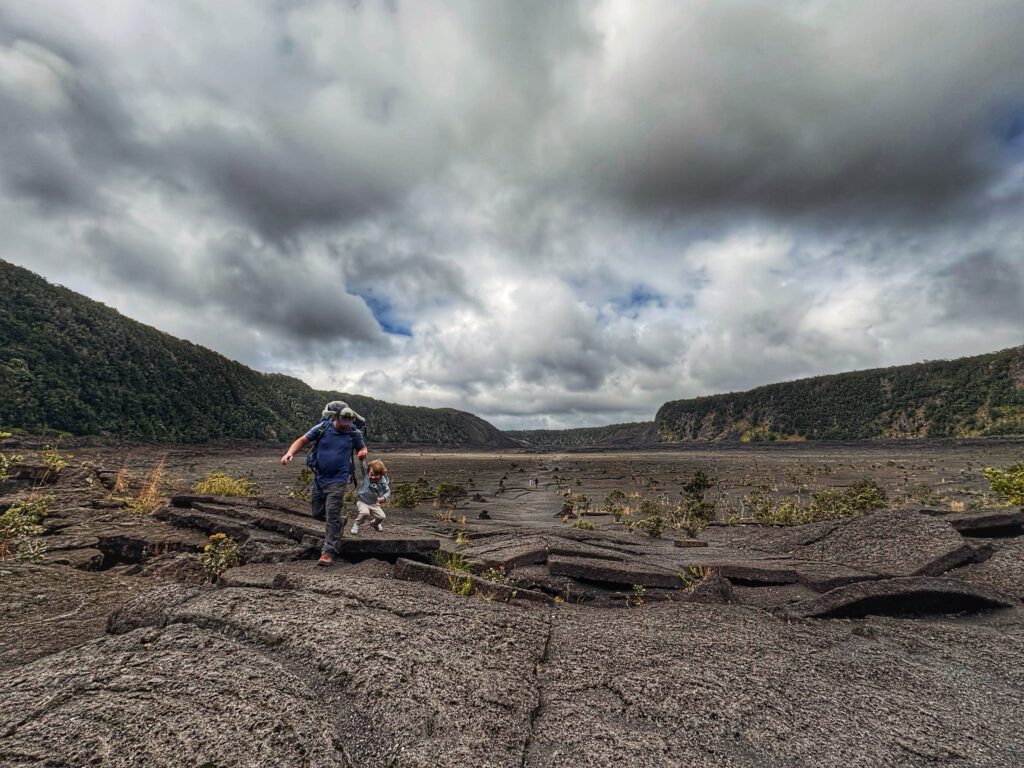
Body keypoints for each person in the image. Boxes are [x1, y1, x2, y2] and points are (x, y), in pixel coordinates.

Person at [280, 402, 367, 566]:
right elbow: (302, 440)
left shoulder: (354, 432)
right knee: (317, 513)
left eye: (349, 422)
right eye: (343, 421)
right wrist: (289, 453)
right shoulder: (322, 428)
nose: (346, 425)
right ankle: (339, 522)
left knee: (332, 513)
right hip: (319, 477)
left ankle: (328, 552)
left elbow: (362, 449)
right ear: (335, 417)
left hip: (339, 479)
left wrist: (362, 453)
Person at [351, 458, 390, 535]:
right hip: (362, 501)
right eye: (371, 475)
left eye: (376, 475)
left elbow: (387, 492)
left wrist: (383, 498)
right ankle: (356, 524)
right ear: (368, 472)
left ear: (381, 474)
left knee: (381, 517)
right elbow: (363, 466)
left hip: (373, 503)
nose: (373, 477)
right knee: (365, 513)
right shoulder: (366, 476)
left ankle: (374, 524)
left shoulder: (383, 483)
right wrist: (362, 459)